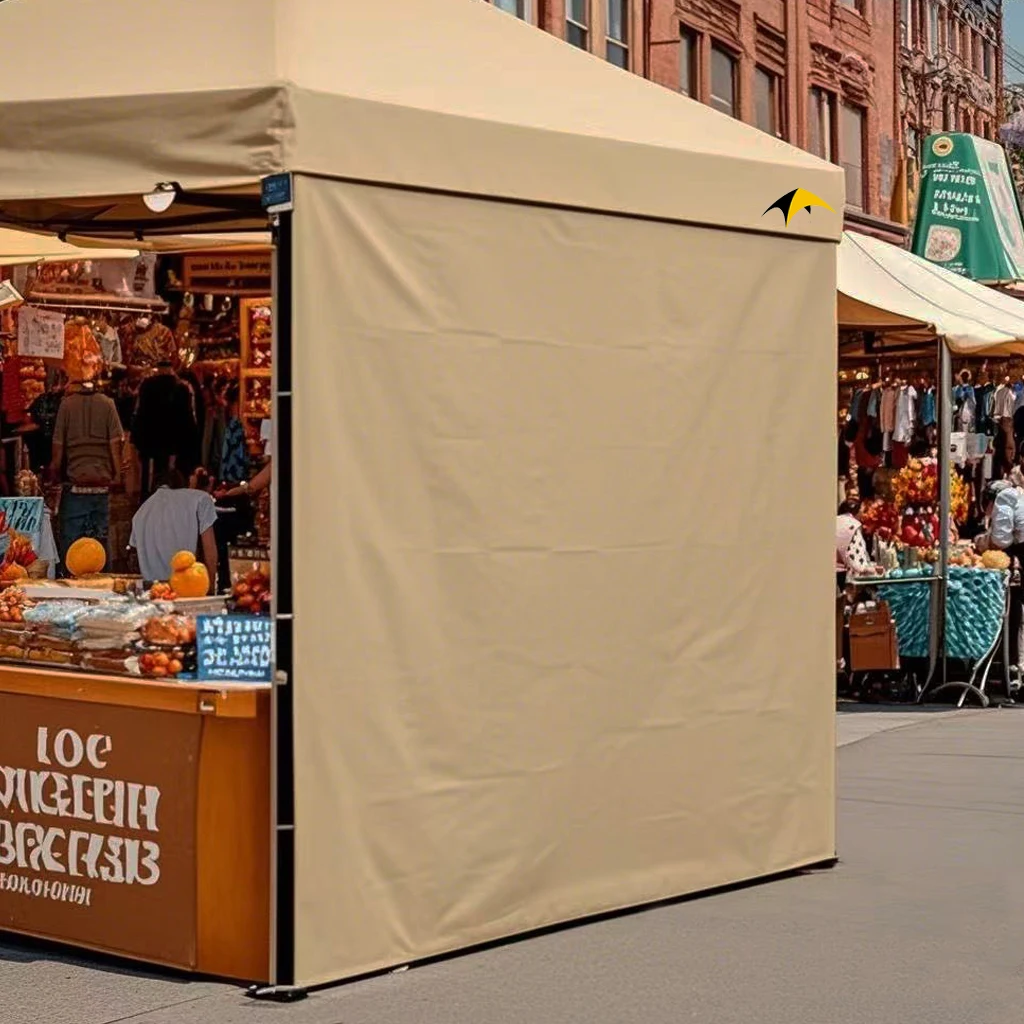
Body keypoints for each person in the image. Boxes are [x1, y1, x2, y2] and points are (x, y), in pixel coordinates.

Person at [49, 379, 124, 569]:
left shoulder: (66, 405)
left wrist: (54, 474)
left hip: (76, 487)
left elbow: (58, 448)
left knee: (72, 548)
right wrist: (117, 476)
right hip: (101, 487)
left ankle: (72, 587)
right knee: (99, 545)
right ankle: (102, 587)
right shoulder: (108, 404)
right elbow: (115, 444)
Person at [129, 468, 218, 586]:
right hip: (189, 587)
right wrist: (211, 587)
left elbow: (134, 552)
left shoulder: (140, 513)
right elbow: (209, 549)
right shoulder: (200, 498)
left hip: (153, 591)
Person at [975, 479, 1024, 672]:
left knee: (1017, 619)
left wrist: (980, 542)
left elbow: (1000, 541)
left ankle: (1015, 667)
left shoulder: (1005, 499)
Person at [131, 361, 198, 497]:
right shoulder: (181, 388)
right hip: (173, 439)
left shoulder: (147, 386)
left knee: (149, 472)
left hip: (150, 438)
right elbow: (187, 417)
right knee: (170, 471)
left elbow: (140, 413)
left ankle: (147, 497)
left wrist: (137, 436)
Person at [836, 499, 877, 591]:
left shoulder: (835, 521)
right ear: (856, 512)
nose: (863, 514)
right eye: (862, 511)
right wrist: (868, 569)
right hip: (842, 577)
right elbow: (855, 556)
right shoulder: (853, 525)